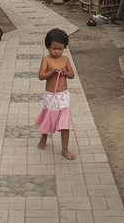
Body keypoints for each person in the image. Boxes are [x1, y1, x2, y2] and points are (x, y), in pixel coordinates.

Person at [34, 27, 76, 160]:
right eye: (54, 48)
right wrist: (52, 72)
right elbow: (41, 76)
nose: (57, 51)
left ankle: (65, 149)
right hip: (51, 96)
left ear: (64, 47)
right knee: (49, 119)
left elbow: (72, 75)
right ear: (48, 47)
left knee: (65, 123)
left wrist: (65, 73)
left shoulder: (65, 59)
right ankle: (44, 137)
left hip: (63, 96)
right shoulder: (46, 60)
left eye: (60, 49)